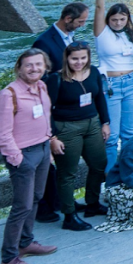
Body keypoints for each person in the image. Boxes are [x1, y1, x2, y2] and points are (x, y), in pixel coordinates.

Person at [0, 49, 59, 264]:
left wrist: (48, 143)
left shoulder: (41, 86)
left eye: (39, 64)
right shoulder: (8, 94)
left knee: (36, 198)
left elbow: (45, 117)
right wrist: (18, 160)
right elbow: (2, 134)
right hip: (22, 155)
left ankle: (26, 242)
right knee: (22, 205)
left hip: (42, 149)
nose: (34, 69)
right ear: (19, 68)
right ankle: (9, 258)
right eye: (29, 65)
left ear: (45, 66)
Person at [46, 42, 110, 231]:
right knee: (67, 173)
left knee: (99, 164)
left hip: (92, 123)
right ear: (67, 58)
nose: (79, 62)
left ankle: (92, 203)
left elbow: (100, 98)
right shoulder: (56, 79)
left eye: (83, 58)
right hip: (66, 127)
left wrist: (105, 122)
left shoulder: (95, 73)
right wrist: (52, 138)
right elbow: (46, 109)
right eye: (75, 58)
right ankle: (69, 214)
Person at [93, 0, 133, 177]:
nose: (118, 23)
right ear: (108, 19)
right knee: (111, 137)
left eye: (122, 19)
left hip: (132, 83)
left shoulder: (130, 34)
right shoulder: (101, 33)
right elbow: (99, 6)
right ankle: (111, 181)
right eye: (115, 19)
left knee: (130, 134)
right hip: (111, 85)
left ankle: (130, 175)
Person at [33, 1, 90, 74]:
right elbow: (40, 73)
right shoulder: (42, 42)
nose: (82, 25)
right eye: (80, 21)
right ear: (68, 19)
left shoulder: (70, 36)